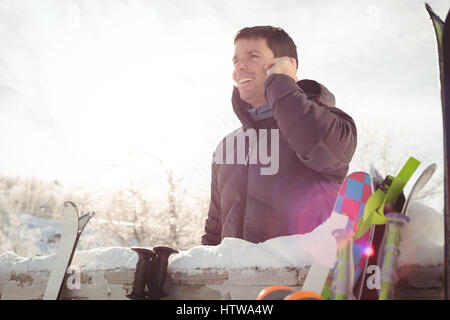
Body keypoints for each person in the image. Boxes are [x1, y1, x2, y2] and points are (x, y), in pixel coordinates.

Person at [201, 26, 357, 245]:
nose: (239, 66)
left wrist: (282, 81)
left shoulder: (332, 122)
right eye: (235, 60)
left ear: (285, 65)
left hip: (303, 275)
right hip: (235, 277)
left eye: (252, 56)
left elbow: (314, 141)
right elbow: (215, 228)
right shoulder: (227, 146)